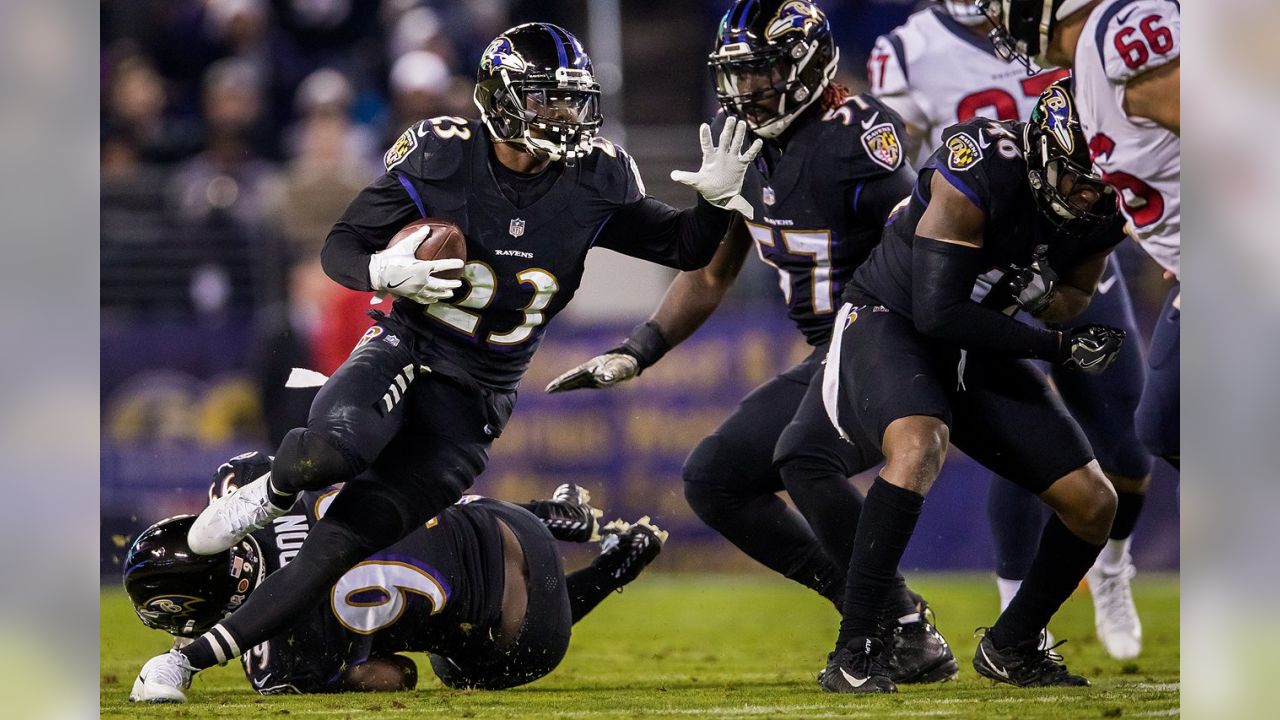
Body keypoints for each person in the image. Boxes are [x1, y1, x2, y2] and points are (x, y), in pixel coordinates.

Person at [130, 22, 761, 703]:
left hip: (473, 405)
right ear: (501, 100)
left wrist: (719, 203)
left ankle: (183, 663)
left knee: (339, 544)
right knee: (333, 451)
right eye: (545, 99)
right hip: (408, 348)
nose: (563, 115)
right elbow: (339, 246)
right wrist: (383, 268)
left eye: (569, 99)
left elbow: (686, 249)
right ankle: (273, 492)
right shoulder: (443, 154)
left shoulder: (595, 177)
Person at [545, 0, 956, 685]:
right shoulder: (748, 145)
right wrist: (638, 350)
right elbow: (710, 275)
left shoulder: (858, 137)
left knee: (803, 458)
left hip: (889, 335)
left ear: (808, 65)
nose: (749, 90)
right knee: (716, 480)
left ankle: (899, 626)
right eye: (738, 74)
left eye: (764, 72)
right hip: (830, 354)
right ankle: (893, 616)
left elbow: (927, 243)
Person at [813, 78, 1128, 693]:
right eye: (1079, 179)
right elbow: (937, 312)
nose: (1091, 195)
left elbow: (1075, 297)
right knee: (918, 444)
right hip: (891, 318)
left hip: (976, 340)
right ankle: (854, 651)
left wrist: (1048, 299)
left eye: (1102, 184)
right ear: (1042, 152)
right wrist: (1055, 346)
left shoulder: (1104, 207)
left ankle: (1012, 646)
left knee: (1095, 503)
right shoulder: (977, 167)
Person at [871, 0, 1152, 659]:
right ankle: (1014, 615)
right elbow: (893, 156)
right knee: (1029, 451)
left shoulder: (1084, 26)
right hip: (981, 249)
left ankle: (1112, 570)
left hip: (1071, 252)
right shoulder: (911, 48)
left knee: (1130, 447)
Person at [125, 452, 663, 698]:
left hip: (527, 627)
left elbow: (398, 676)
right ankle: (554, 516)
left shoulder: (281, 660)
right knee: (401, 509)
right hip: (501, 519)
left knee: (453, 666)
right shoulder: (243, 482)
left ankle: (615, 564)